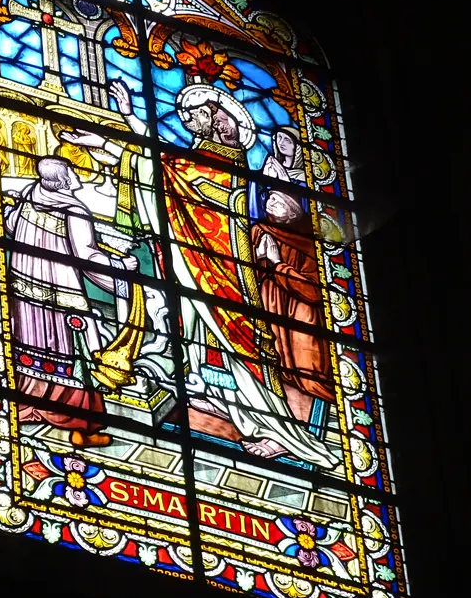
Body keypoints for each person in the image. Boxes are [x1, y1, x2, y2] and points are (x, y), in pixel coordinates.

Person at [61, 81, 340, 469]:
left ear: (216, 118)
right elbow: (162, 171)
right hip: (198, 263)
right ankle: (213, 394)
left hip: (221, 268)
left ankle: (276, 429)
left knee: (236, 342)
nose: (188, 120)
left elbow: (163, 171)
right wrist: (109, 143)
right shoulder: (200, 157)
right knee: (195, 332)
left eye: (195, 115)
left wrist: (123, 125)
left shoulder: (224, 162)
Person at [5, 156, 138, 448]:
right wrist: (120, 267)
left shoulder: (30, 195)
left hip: (23, 286)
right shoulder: (73, 211)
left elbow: (11, 224)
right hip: (61, 291)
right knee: (75, 352)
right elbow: (86, 257)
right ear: (64, 179)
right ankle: (80, 427)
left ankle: (27, 404)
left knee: (29, 347)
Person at [252, 190, 334, 423]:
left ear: (293, 212)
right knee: (276, 371)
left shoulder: (308, 241)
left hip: (299, 313)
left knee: (307, 375)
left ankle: (303, 425)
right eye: (270, 198)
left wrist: (277, 264)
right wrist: (259, 259)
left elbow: (314, 291)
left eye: (279, 200)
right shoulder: (260, 231)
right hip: (272, 307)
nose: (271, 201)